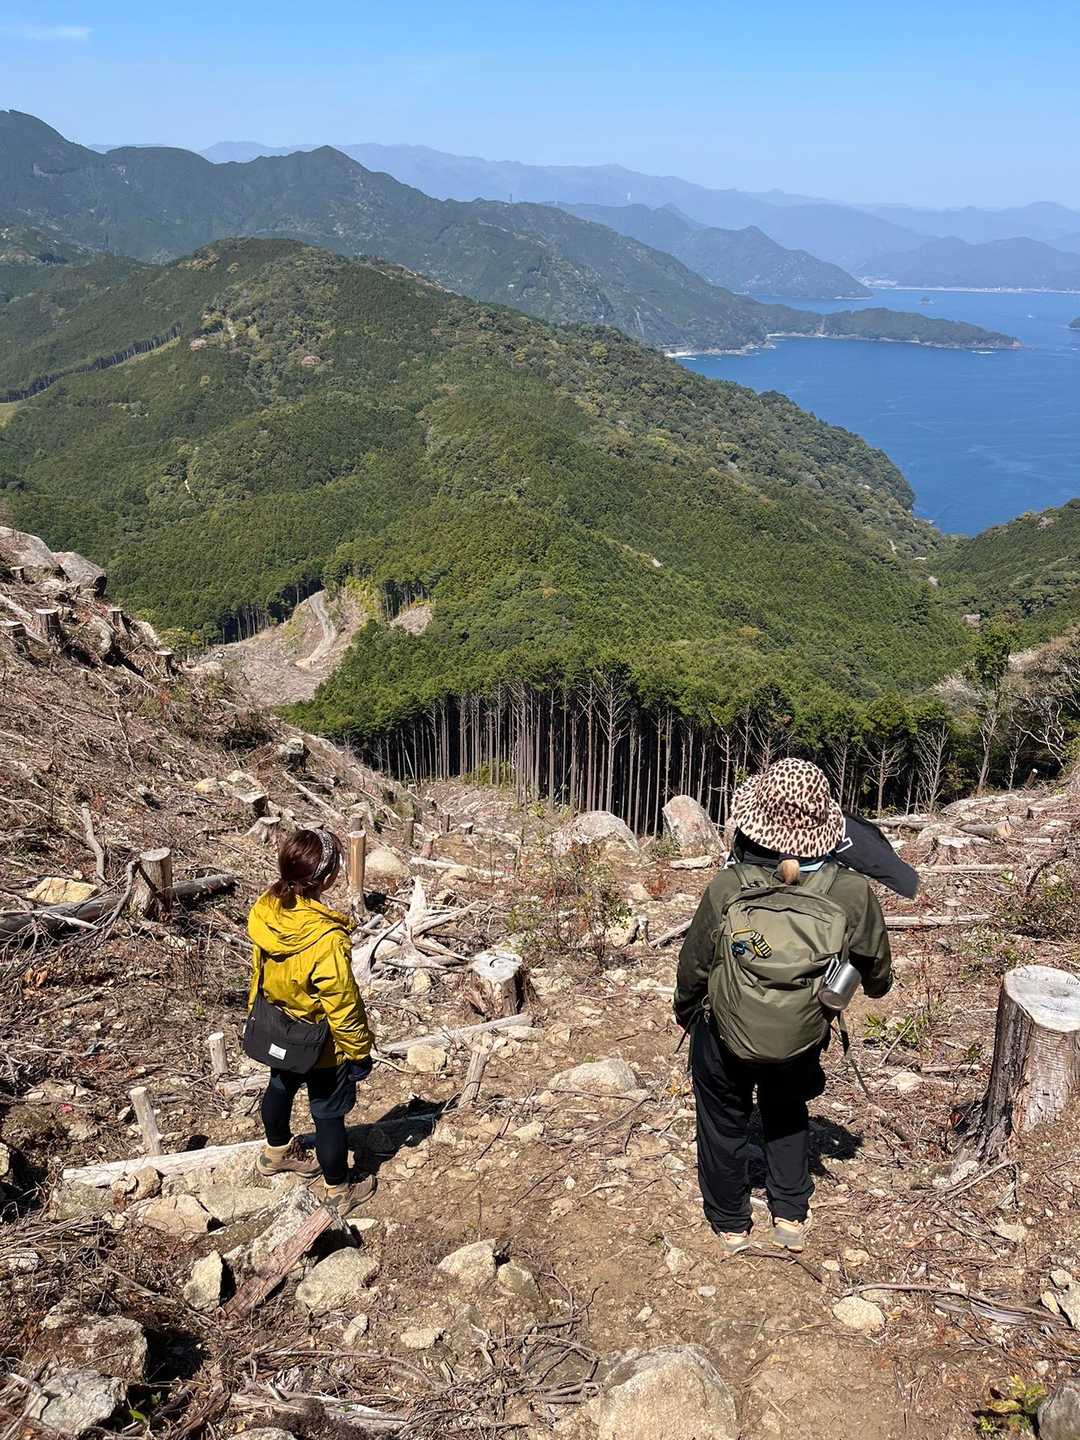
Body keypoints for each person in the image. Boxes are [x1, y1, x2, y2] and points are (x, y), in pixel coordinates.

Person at [673, 758, 892, 1255]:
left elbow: (695, 965)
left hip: (725, 1032)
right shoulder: (850, 890)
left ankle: (731, 1222)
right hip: (801, 1031)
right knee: (788, 1110)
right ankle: (790, 1214)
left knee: (722, 1119)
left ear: (756, 822)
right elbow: (876, 973)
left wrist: (687, 1012)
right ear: (824, 827)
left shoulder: (729, 885)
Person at [247, 827, 375, 1211]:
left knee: (279, 1084)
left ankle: (276, 1153)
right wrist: (358, 1052)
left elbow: (258, 969)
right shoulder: (326, 937)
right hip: (320, 1041)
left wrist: (256, 1011)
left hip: (278, 1024)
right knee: (328, 1113)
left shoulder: (268, 909)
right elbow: (341, 1002)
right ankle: (338, 1190)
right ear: (327, 878)